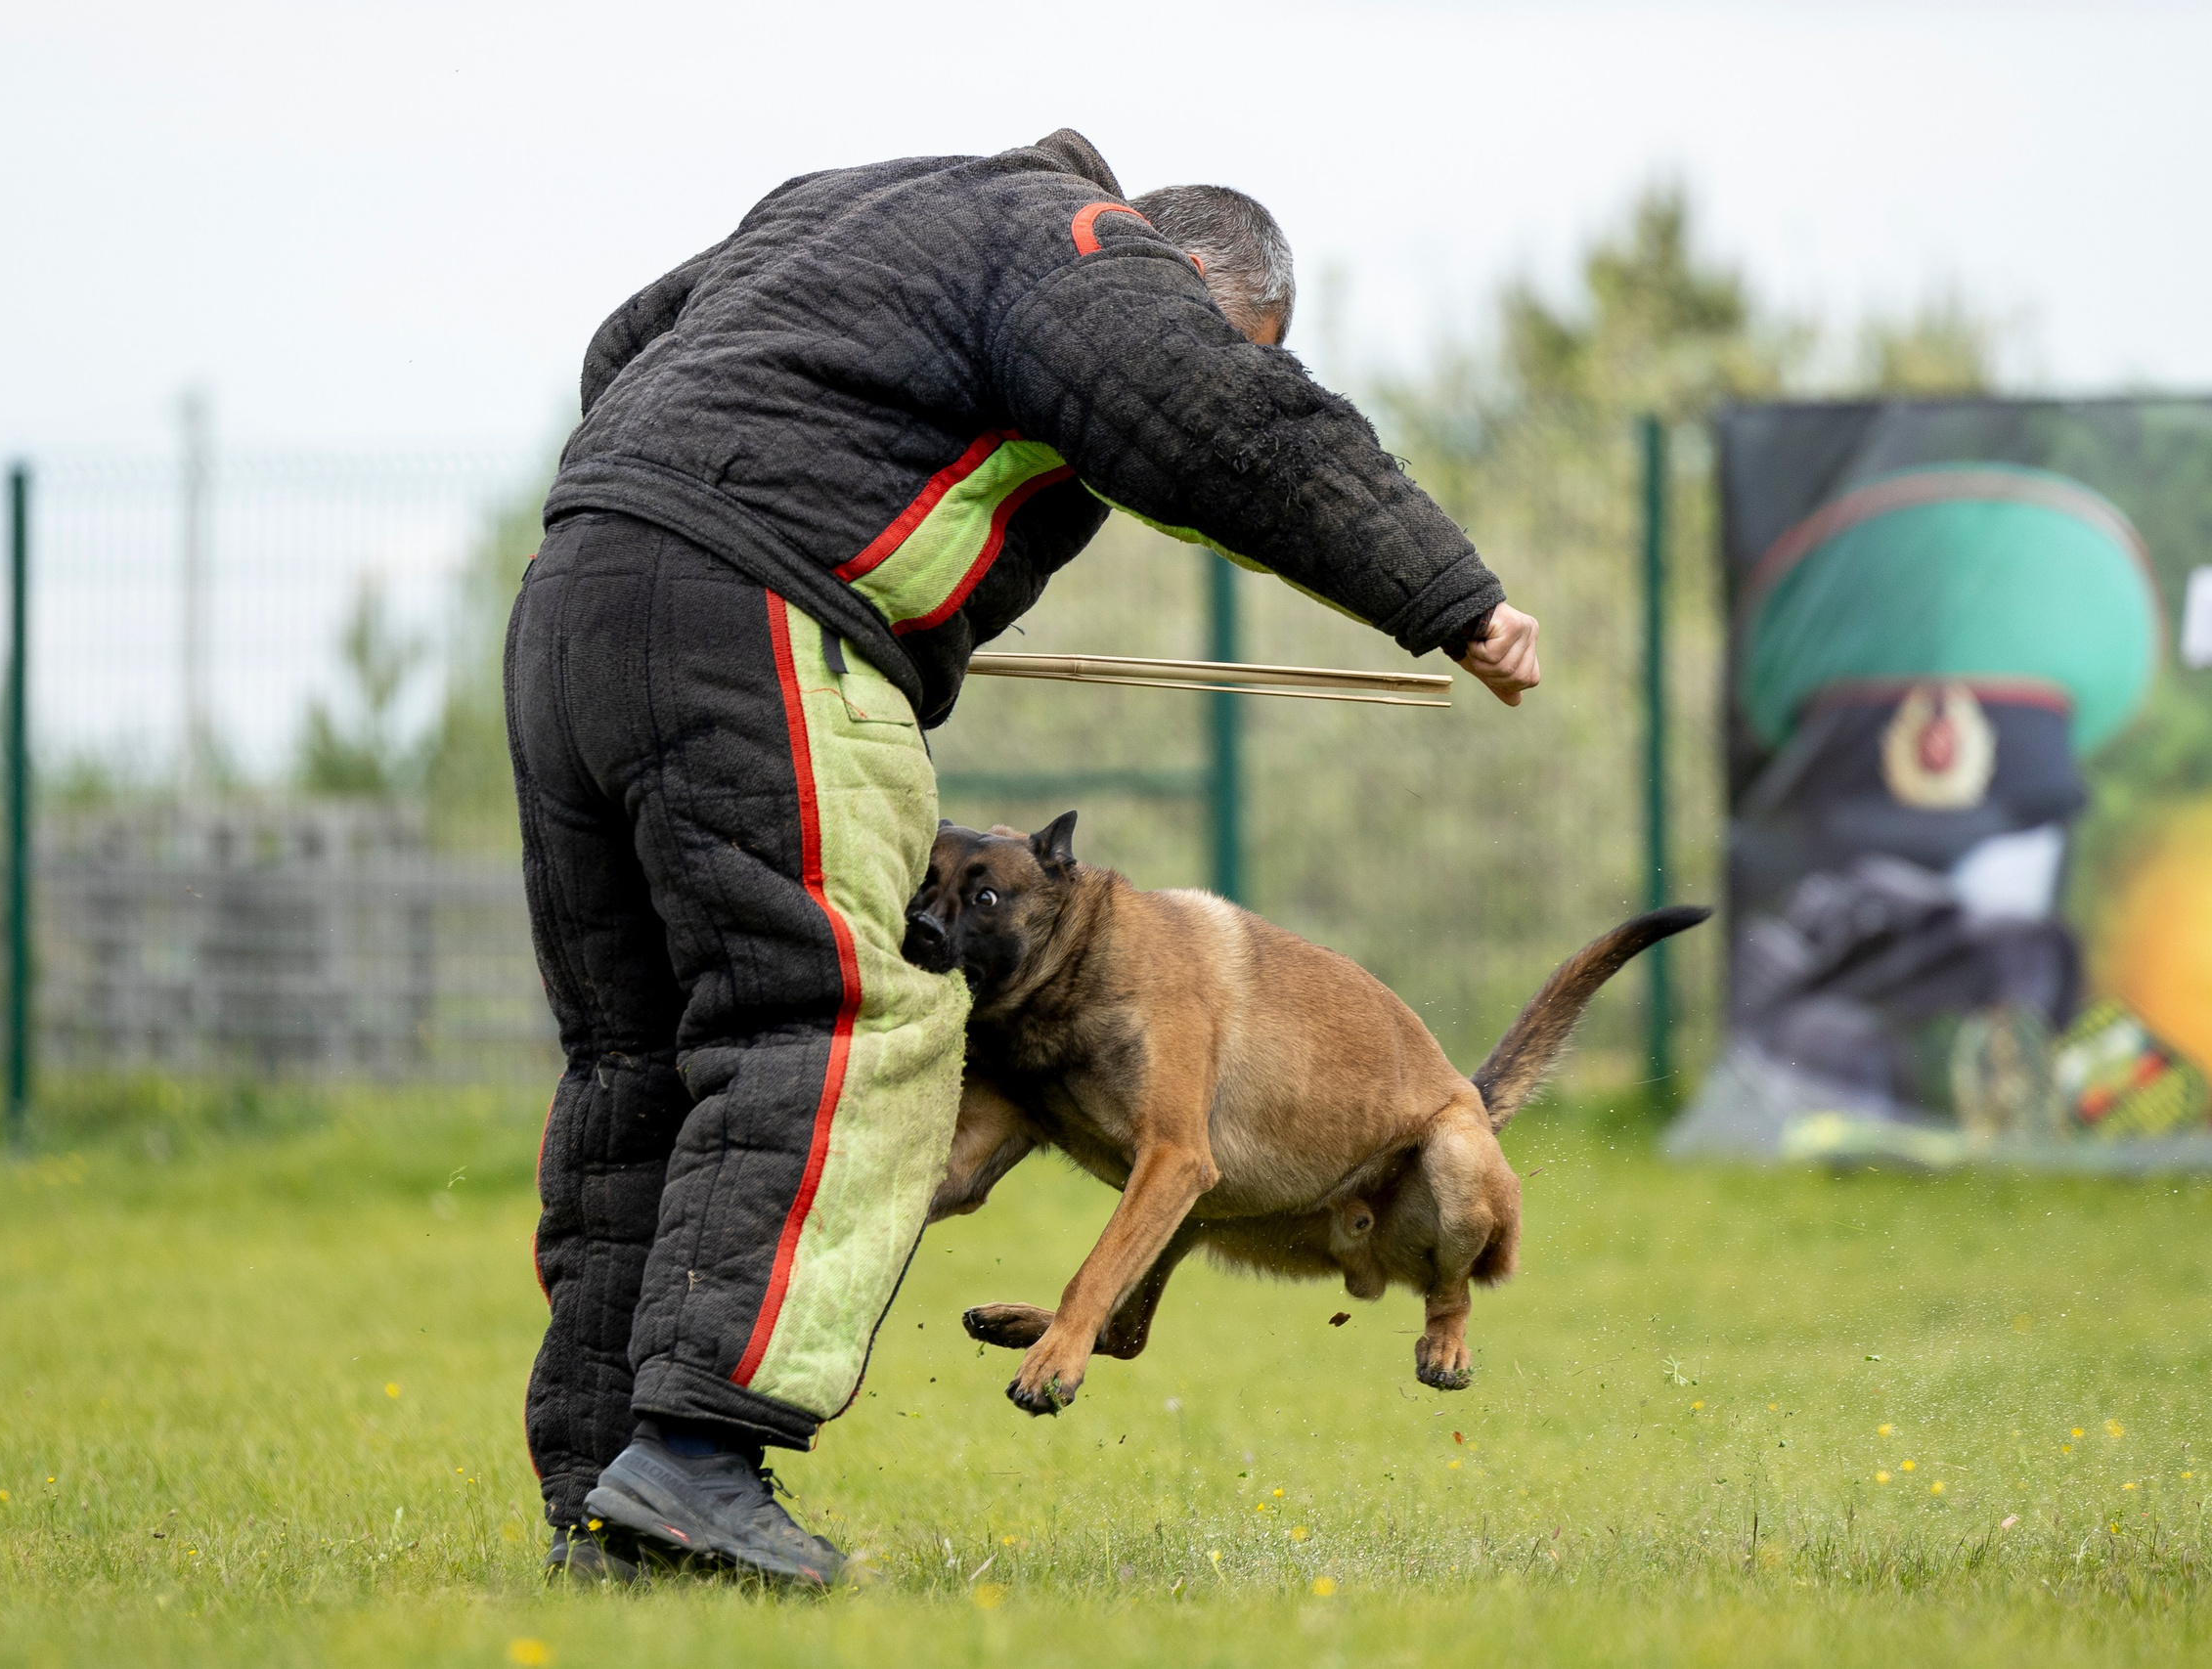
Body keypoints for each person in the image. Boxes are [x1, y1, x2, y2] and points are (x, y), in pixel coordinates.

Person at [507, 127, 1539, 1587]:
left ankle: (600, 1503)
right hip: (752, 629)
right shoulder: (1092, 256)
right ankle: (688, 1466)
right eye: (1225, 337)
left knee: (641, 1061)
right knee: (831, 1021)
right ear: (1198, 283)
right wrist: (1453, 597)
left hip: (570, 605)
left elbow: (634, 343)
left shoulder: (864, 205)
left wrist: (700, 531)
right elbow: (1221, 427)